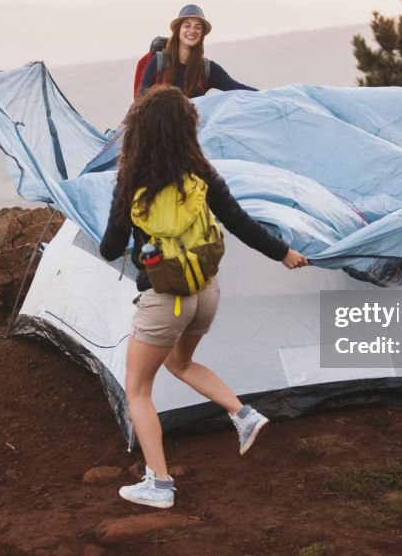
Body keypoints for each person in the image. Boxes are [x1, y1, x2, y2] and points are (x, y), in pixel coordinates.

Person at [100, 85, 307, 509]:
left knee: (138, 390)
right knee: (180, 362)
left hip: (164, 300)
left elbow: (108, 247)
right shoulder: (202, 176)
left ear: (140, 132)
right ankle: (243, 414)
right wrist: (283, 253)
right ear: (185, 131)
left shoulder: (131, 183)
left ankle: (158, 485)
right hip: (205, 293)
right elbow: (240, 222)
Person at [136, 4, 257, 98]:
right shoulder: (159, 62)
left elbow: (237, 88)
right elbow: (141, 99)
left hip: (192, 129)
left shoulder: (207, 69)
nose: (192, 30)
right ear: (178, 30)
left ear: (202, 34)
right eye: (187, 25)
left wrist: (270, 95)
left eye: (198, 27)